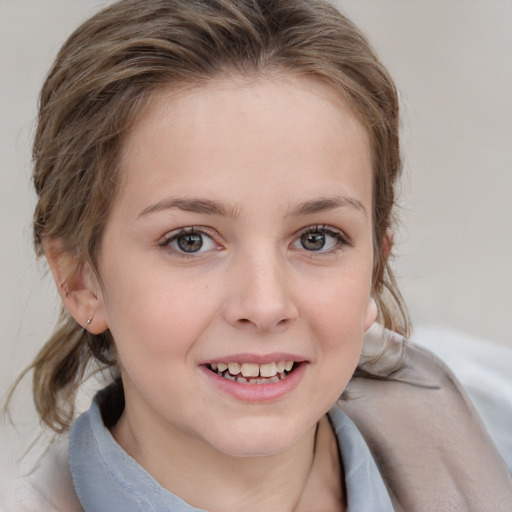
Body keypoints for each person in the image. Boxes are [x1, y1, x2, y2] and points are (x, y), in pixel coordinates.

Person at [5, 0, 511, 510]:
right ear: (79, 280)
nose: (265, 305)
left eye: (317, 238)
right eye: (190, 240)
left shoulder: (491, 425)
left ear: (375, 268)